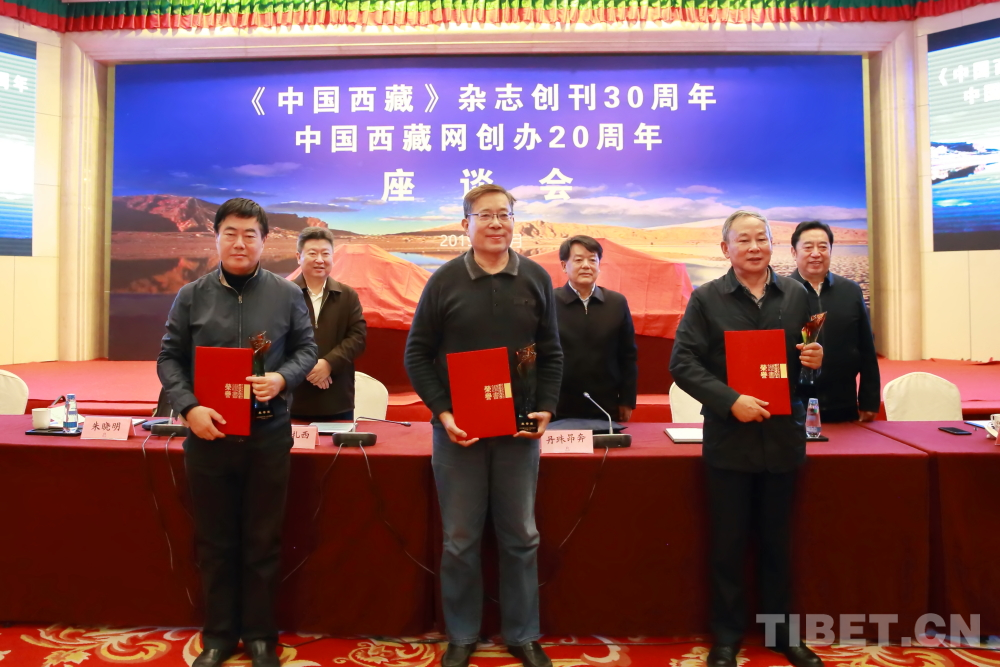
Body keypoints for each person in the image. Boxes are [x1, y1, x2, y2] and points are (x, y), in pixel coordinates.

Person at [404, 184, 563, 667]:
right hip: (459, 433)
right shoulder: (444, 281)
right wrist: (443, 412)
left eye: (505, 215)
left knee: (522, 536)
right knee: (460, 540)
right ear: (465, 224)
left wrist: (546, 406)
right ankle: (462, 635)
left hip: (518, 431)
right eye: (485, 215)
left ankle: (523, 634)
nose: (497, 224)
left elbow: (551, 351)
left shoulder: (535, 277)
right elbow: (416, 354)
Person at [157, 198, 317, 667]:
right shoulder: (192, 295)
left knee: (263, 540)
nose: (240, 242)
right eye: (230, 233)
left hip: (268, 435)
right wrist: (189, 408)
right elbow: (169, 358)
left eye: (250, 234)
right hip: (209, 437)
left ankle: (262, 636)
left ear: (265, 241)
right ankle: (219, 636)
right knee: (215, 541)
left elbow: (307, 350)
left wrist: (283, 378)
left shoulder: (287, 294)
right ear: (216, 238)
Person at [669, 210, 824, 667]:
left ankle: (781, 634)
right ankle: (726, 637)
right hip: (729, 439)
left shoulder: (797, 295)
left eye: (762, 238)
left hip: (782, 437)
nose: (754, 247)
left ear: (773, 244)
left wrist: (816, 361)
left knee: (778, 543)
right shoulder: (706, 299)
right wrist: (730, 399)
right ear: (726, 249)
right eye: (744, 240)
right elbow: (682, 363)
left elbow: (807, 371)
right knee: (728, 544)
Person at [789, 220, 880, 423]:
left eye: (823, 247)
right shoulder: (782, 293)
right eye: (808, 247)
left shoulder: (850, 290)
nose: (816, 253)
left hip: (843, 403)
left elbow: (867, 348)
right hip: (796, 407)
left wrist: (870, 399)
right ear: (794, 252)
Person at [553, 235, 638, 423]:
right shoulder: (549, 302)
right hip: (559, 405)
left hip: (605, 405)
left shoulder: (616, 303)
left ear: (599, 265)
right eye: (578, 260)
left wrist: (627, 400)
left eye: (592, 260)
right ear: (564, 266)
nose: (586, 266)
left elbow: (627, 355)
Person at [290, 226, 367, 421]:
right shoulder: (284, 294)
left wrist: (328, 363)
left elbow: (358, 337)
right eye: (312, 253)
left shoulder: (347, 295)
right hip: (293, 397)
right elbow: (276, 338)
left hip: (337, 398)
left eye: (325, 254)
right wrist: (307, 368)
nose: (320, 260)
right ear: (298, 256)